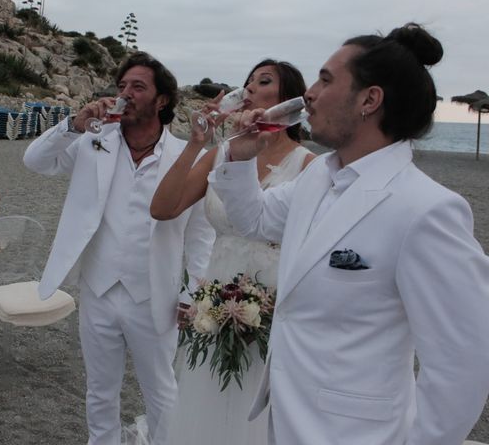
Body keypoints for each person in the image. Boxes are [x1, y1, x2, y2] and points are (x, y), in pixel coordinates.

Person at [208, 23, 489, 445]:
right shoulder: (320, 173)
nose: (310, 95)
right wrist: (241, 158)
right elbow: (256, 220)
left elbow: (463, 362)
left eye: (325, 80)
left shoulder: (427, 210)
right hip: (287, 420)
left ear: (369, 100)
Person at [23, 51, 215, 445]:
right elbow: (34, 161)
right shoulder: (94, 142)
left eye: (137, 86)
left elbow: (201, 232)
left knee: (161, 391)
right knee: (99, 390)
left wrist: (192, 290)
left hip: (154, 294)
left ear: (162, 100)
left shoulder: (184, 155)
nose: (125, 93)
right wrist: (74, 125)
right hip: (98, 287)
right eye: (122, 86)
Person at [150, 59, 315, 444]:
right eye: (248, 82)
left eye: (263, 81)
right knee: (207, 398)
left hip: (272, 306)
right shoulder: (222, 153)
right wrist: (197, 143)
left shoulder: (309, 167)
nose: (249, 89)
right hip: (213, 298)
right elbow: (162, 208)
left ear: (287, 100)